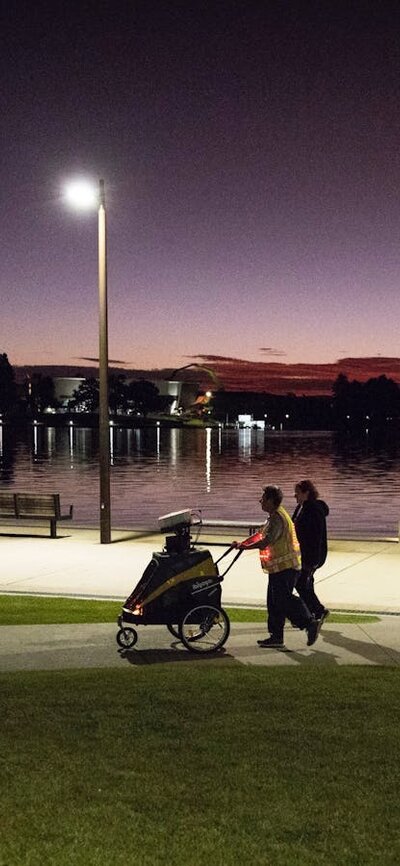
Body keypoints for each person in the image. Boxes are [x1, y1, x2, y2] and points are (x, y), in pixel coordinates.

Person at [233, 485, 320, 649]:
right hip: (278, 568)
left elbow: (266, 541)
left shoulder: (278, 518)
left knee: (283, 600)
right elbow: (260, 534)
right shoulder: (274, 516)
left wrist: (245, 547)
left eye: (263, 498)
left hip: (286, 568)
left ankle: (309, 623)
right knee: (273, 602)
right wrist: (242, 544)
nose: (260, 501)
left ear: (271, 501)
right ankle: (276, 637)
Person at [292, 479, 330, 624]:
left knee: (301, 583)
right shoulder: (303, 508)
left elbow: (315, 537)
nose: (295, 496)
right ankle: (310, 613)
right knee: (306, 583)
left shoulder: (312, 510)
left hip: (311, 556)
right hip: (306, 554)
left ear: (306, 493)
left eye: (297, 493)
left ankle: (317, 610)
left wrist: (312, 561)